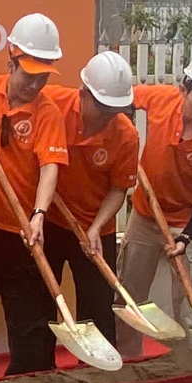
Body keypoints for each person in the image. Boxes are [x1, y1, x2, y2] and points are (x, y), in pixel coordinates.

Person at [0, 12, 70, 377]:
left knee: (29, 323)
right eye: (29, 74)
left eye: (42, 76)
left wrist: (39, 213)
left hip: (22, 232)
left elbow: (50, 166)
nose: (35, 84)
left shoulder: (48, 112)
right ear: (11, 62)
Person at [119, 49, 192, 337]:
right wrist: (123, 124)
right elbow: (122, 98)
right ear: (183, 90)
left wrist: (185, 237)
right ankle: (128, 364)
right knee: (128, 299)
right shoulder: (162, 99)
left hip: (190, 224)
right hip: (146, 215)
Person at [41, 51, 140, 354]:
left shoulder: (126, 135)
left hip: (97, 227)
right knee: (42, 301)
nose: (109, 115)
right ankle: (40, 371)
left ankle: (99, 375)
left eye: (115, 109)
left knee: (98, 307)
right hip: (51, 221)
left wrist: (96, 227)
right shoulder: (52, 105)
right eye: (103, 107)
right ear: (83, 93)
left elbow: (118, 190)